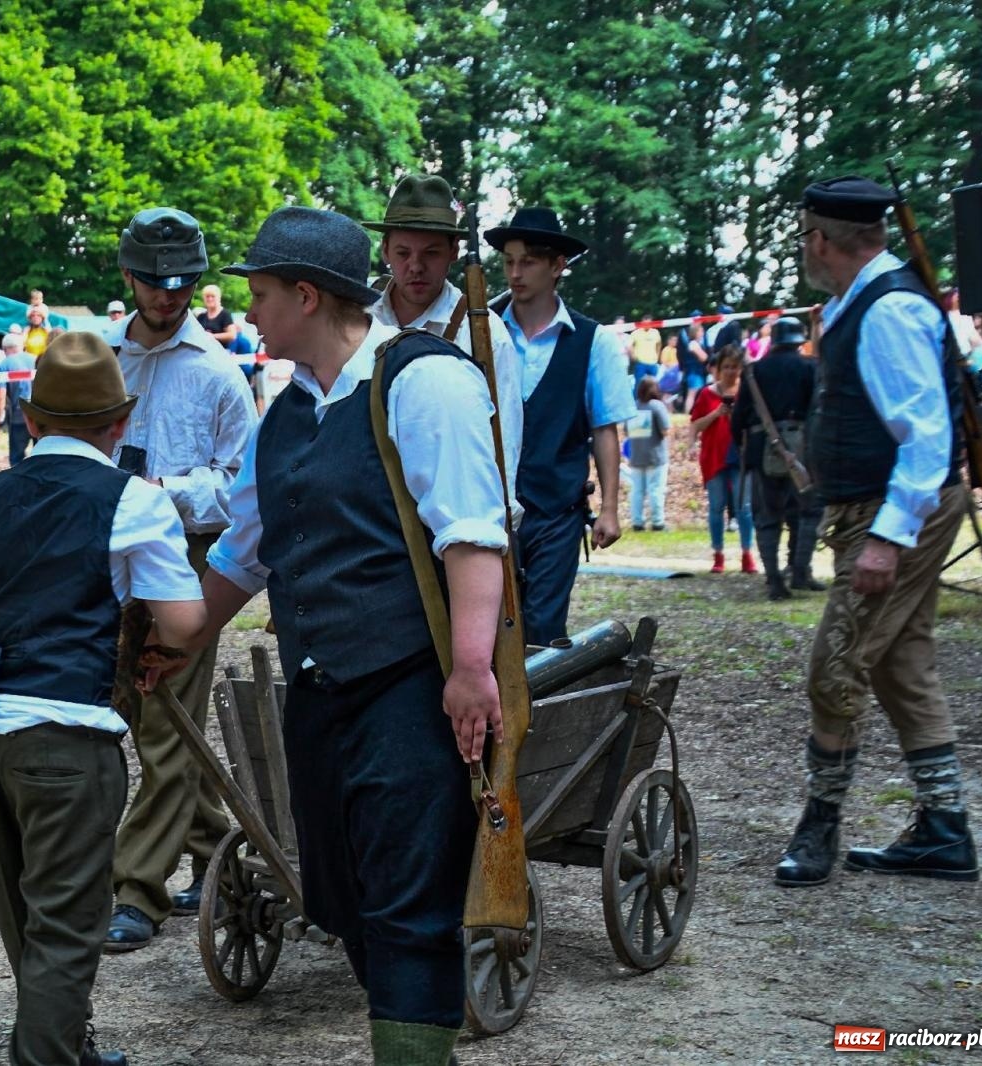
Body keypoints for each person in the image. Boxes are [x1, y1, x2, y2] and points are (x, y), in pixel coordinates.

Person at [184, 205, 507, 1065]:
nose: (247, 313)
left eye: (258, 295)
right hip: (322, 693)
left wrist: (472, 669)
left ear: (305, 296)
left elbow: (472, 535)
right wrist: (168, 643)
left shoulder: (424, 381)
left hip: (409, 686)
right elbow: (243, 553)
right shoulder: (285, 413)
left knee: (409, 907)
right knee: (345, 899)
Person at [0, 332, 204, 1066]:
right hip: (68, 729)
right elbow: (184, 621)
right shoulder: (133, 499)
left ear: (31, 420)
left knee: (24, 915)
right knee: (66, 925)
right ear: (119, 423)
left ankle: (64, 1041)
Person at [774, 175, 977, 888]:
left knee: (834, 671)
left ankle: (818, 830)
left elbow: (925, 438)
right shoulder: (863, 301)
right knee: (902, 664)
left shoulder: (887, 310)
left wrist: (888, 538)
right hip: (876, 512)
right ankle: (946, 828)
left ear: (821, 240)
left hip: (893, 515)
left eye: (805, 236)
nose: (805, 248)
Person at [102, 207, 255, 952]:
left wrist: (170, 491)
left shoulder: (220, 374)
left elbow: (240, 485)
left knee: (164, 726)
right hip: (104, 564)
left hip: (187, 565)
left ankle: (136, 891)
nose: (170, 296)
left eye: (184, 283)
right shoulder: (97, 357)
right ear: (128, 277)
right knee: (128, 715)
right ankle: (223, 855)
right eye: (157, 282)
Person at [486, 206, 632, 645]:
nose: (515, 272)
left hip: (557, 510)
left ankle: (541, 714)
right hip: (491, 506)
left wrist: (609, 507)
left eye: (528, 261)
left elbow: (604, 428)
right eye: (509, 261)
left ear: (557, 266)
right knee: (488, 627)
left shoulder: (593, 341)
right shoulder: (482, 329)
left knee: (544, 629)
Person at [364, 175, 523, 524]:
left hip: (448, 518)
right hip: (366, 517)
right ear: (385, 249)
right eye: (403, 253)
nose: (415, 266)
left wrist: (501, 531)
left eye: (431, 253)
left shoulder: (483, 333)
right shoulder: (357, 317)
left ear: (453, 252)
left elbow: (503, 445)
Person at [729, 316, 825, 599]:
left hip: (763, 452)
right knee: (809, 512)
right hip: (803, 450)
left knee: (767, 517)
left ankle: (774, 581)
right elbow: (819, 411)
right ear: (798, 341)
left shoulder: (753, 372)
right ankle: (799, 571)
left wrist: (745, 450)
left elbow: (738, 421)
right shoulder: (811, 367)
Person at [689, 346, 756, 574]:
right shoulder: (706, 394)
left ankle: (747, 554)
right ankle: (718, 554)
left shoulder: (748, 392)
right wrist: (715, 414)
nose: (730, 372)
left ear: (741, 368)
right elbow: (695, 425)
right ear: (718, 369)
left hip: (741, 456)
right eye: (726, 367)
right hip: (714, 456)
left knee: (744, 507)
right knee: (716, 506)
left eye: (734, 367)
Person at [625, 376, 671, 531]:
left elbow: (626, 431)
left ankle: (637, 522)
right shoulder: (657, 407)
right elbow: (665, 430)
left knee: (637, 491)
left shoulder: (632, 407)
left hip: (637, 456)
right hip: (656, 456)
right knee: (656, 490)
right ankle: (658, 522)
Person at [0, 332, 37, 466]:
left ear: (4, 349)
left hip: (20, 415)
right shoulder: (36, 359)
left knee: (17, 460)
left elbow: (0, 398)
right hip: (41, 415)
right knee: (43, 457)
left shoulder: (3, 365)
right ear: (22, 346)